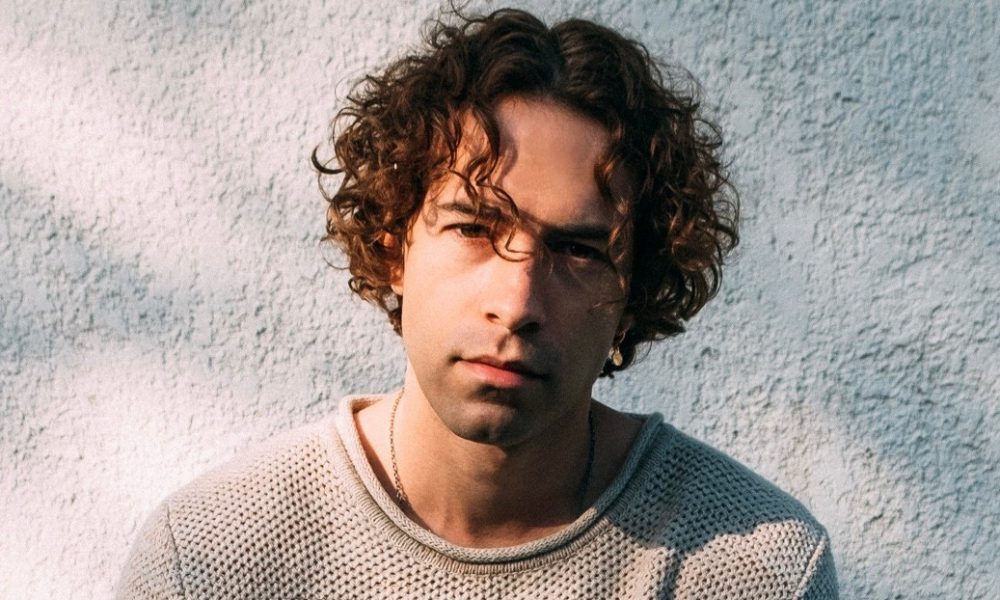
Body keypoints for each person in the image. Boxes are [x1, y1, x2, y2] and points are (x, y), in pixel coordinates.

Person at [117, 8, 838, 599]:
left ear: (633, 294)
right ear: (394, 248)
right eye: (472, 228)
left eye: (578, 250)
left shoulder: (755, 568)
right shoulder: (210, 558)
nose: (517, 302)